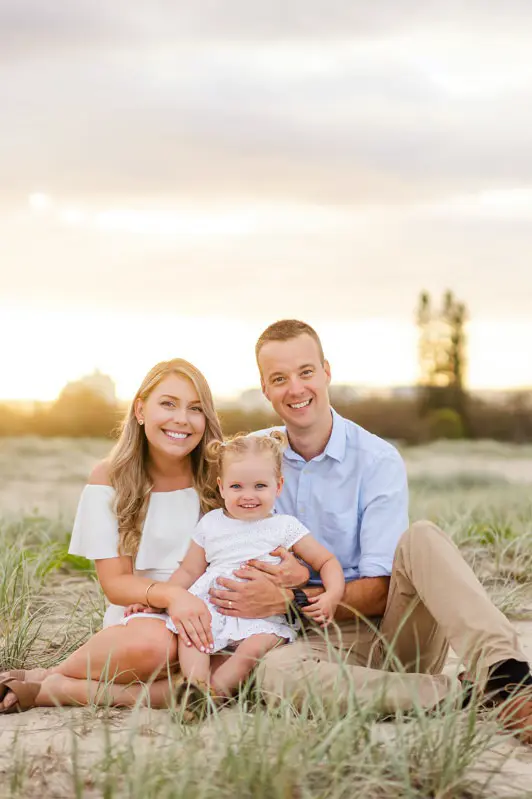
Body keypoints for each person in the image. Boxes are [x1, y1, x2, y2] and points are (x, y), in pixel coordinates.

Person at [205, 319, 532, 742]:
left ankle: (509, 677)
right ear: (265, 388)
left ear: (326, 371)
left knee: (423, 537)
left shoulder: (377, 459)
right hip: (311, 646)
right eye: (279, 379)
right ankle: (466, 695)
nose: (296, 389)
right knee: (275, 678)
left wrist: (290, 599)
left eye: (306, 372)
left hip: (392, 632)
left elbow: (379, 590)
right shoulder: (250, 460)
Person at [0, 357, 233, 712]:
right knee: (159, 647)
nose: (181, 419)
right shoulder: (110, 478)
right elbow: (115, 584)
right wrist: (167, 596)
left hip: (212, 614)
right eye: (167, 404)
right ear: (140, 409)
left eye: (196, 408)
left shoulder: (223, 477)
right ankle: (49, 678)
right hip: (142, 617)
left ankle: (49, 685)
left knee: (225, 677)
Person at [123, 432, 344, 708]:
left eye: (260, 486)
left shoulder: (285, 527)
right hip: (212, 607)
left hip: (265, 617)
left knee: (251, 651)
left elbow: (327, 562)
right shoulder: (211, 523)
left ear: (278, 486)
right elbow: (189, 572)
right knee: (193, 635)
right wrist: (156, 601)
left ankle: (211, 696)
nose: (248, 496)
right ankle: (195, 684)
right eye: (237, 486)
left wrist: (332, 595)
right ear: (222, 487)